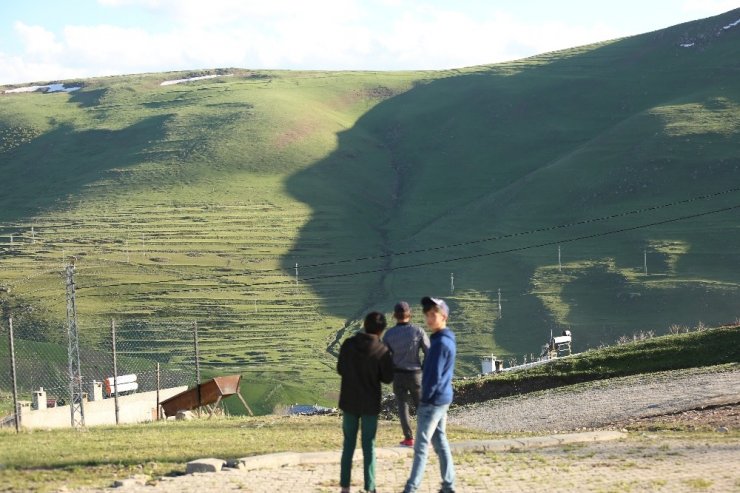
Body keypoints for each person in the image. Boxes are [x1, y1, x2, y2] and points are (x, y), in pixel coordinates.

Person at [403, 297, 456, 493]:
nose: (429, 318)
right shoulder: (443, 338)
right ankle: (449, 486)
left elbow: (434, 374)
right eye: (427, 314)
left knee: (421, 446)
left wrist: (425, 399)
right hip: (442, 397)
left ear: (444, 316)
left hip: (432, 400)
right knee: (440, 441)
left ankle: (411, 488)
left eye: (433, 314)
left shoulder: (441, 343)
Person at [337, 311, 394, 493]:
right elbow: (387, 378)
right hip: (370, 404)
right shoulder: (382, 350)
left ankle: (345, 486)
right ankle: (370, 487)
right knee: (369, 445)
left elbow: (340, 369)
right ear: (381, 330)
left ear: (364, 325)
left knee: (348, 444)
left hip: (349, 402)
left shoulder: (348, 345)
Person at [382, 300, 430, 447]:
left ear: (395, 316)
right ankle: (424, 438)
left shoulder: (389, 334)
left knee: (402, 406)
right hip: (416, 374)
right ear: (410, 313)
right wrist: (423, 368)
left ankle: (408, 438)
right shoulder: (418, 331)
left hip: (398, 375)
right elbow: (429, 351)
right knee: (421, 406)